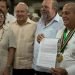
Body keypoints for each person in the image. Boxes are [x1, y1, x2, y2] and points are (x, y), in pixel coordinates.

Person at [33, 0, 64, 75]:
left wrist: (45, 41)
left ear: (54, 9)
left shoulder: (62, 23)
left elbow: (64, 45)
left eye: (46, 7)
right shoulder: (40, 21)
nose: (43, 9)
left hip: (51, 70)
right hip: (36, 68)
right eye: (42, 7)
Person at [10, 2, 36, 75]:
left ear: (27, 13)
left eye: (22, 11)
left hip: (28, 67)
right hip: (13, 67)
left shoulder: (34, 26)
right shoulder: (11, 26)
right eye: (17, 11)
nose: (19, 13)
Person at [51, 2, 75, 75]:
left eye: (67, 13)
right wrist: (43, 42)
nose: (63, 16)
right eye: (63, 13)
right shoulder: (60, 32)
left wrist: (67, 71)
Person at [0, 9, 16, 75]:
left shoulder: (9, 30)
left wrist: (8, 67)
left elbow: (12, 50)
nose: (0, 18)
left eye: (1, 16)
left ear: (4, 18)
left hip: (4, 66)